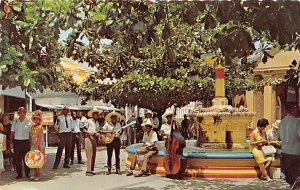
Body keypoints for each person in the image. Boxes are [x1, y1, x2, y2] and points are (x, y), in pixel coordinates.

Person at [279, 102, 300, 187]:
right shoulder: (297, 122)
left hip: (285, 153)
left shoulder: (282, 122)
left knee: (292, 180)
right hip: (296, 153)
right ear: (294, 109)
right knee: (297, 179)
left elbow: (280, 137)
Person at [10, 107, 32, 179]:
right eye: (20, 112)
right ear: (18, 113)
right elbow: (12, 132)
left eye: (23, 112)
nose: (21, 113)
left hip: (25, 141)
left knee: (26, 158)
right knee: (17, 159)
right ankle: (19, 174)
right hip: (17, 142)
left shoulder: (29, 122)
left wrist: (31, 144)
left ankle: (27, 173)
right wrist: (11, 143)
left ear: (25, 113)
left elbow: (30, 134)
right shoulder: (15, 121)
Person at [84, 109, 101, 176]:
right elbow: (84, 129)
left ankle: (91, 169)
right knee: (89, 154)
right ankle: (88, 170)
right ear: (92, 114)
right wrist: (89, 133)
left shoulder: (97, 123)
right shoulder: (88, 121)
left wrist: (98, 136)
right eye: (95, 114)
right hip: (88, 137)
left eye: (97, 114)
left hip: (94, 137)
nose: (96, 115)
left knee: (94, 153)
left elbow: (98, 130)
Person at [30, 110, 45, 181]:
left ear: (39, 120)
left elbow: (39, 137)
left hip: (39, 145)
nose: (36, 120)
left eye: (37, 118)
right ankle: (35, 173)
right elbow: (30, 135)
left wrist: (37, 145)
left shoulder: (40, 127)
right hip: (33, 144)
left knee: (38, 159)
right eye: (35, 118)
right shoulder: (32, 127)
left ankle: (39, 174)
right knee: (34, 159)